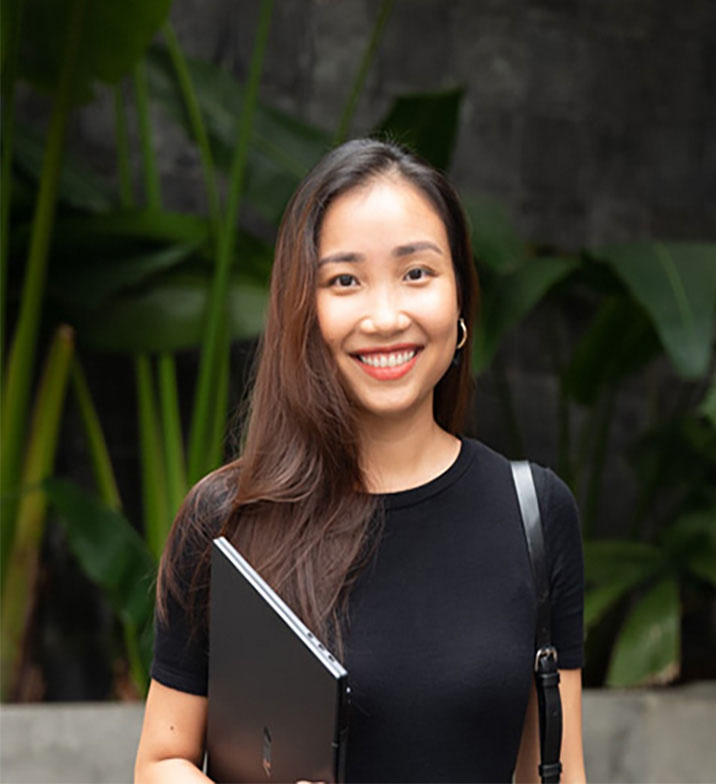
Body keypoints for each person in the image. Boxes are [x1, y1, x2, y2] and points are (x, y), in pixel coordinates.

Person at [134, 139, 586, 784]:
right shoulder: (228, 521)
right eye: (345, 280)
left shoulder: (534, 513)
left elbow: (558, 771)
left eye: (417, 273)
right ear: (304, 309)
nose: (384, 316)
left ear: (459, 298)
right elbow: (162, 761)